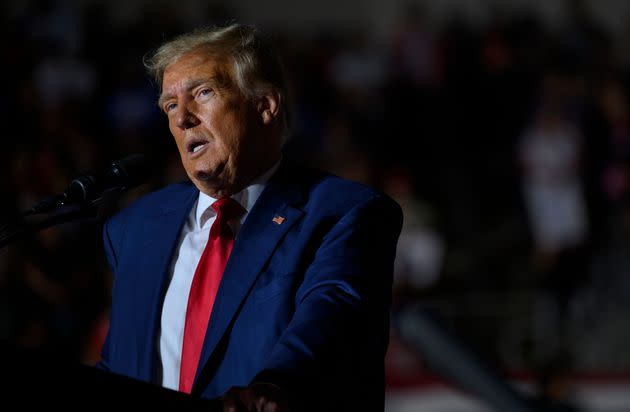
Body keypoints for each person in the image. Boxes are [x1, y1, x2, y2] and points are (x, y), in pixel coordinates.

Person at [96, 23, 403, 412]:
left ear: (264, 106)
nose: (182, 119)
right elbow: (120, 360)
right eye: (170, 105)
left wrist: (276, 386)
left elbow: (331, 320)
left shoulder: (342, 213)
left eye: (203, 93)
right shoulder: (132, 228)